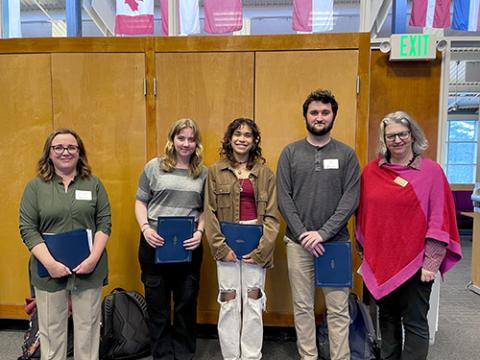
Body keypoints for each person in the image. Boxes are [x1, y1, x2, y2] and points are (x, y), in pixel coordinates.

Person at [355, 111, 462, 360]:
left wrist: (431, 263)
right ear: (384, 140)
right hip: (382, 261)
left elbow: (440, 219)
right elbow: (364, 214)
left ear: (412, 135)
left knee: (414, 323)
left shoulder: (432, 172)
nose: (397, 140)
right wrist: (366, 253)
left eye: (402, 134)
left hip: (418, 264)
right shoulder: (372, 172)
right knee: (388, 320)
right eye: (390, 136)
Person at [277, 89, 360, 360]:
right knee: (302, 307)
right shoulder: (290, 153)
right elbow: (283, 198)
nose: (319, 117)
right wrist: (304, 235)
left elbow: (350, 199)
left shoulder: (347, 155)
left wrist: (322, 234)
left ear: (333, 115)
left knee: (338, 309)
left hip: (335, 245)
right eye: (314, 112)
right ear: (306, 116)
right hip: (298, 244)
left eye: (325, 112)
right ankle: (308, 357)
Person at [19, 128, 111, 360]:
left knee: (88, 329)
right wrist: (50, 264)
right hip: (48, 271)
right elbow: (28, 229)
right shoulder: (35, 187)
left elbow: (104, 224)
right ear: (49, 153)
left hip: (88, 269)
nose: (65, 152)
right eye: (58, 147)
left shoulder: (94, 184)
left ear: (79, 152)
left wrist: (92, 260)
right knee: (51, 331)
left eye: (71, 147)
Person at [204, 117, 280, 360]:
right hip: (226, 243)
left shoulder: (266, 174)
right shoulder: (215, 172)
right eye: (237, 134)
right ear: (229, 139)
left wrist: (262, 250)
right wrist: (219, 247)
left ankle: (250, 356)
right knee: (228, 301)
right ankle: (230, 356)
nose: (242, 139)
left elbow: (272, 216)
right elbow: (210, 212)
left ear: (254, 140)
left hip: (256, 244)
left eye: (247, 135)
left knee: (253, 301)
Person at [135, 118, 207, 360]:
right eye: (181, 138)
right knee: (158, 306)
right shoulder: (154, 167)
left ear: (197, 143)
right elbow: (141, 202)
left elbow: (207, 209)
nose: (186, 144)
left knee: (186, 304)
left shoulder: (203, 173)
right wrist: (145, 228)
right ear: (172, 139)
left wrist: (200, 232)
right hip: (154, 244)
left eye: (191, 139)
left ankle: (184, 354)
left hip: (188, 246)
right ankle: (162, 355)